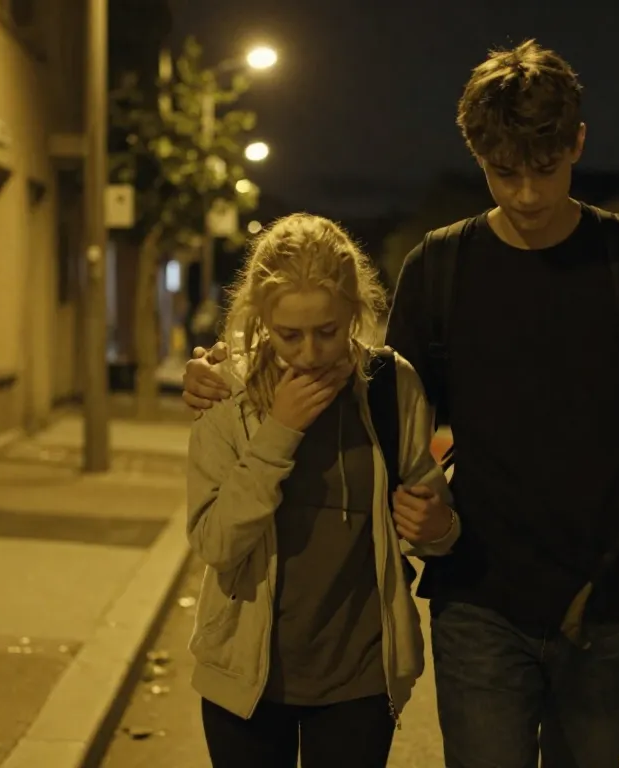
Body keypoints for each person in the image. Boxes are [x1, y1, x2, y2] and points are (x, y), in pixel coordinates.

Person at [184, 40, 619, 767]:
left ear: (578, 144)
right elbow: (386, 405)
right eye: (504, 172)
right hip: (479, 595)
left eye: (545, 169)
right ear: (477, 155)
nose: (526, 193)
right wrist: (226, 372)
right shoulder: (442, 267)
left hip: (602, 594)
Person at [186, 213, 460, 768]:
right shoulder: (225, 393)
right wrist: (280, 432)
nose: (309, 352)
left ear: (355, 313)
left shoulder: (391, 386)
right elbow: (215, 543)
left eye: (328, 331)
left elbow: (431, 518)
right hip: (245, 675)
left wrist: (441, 528)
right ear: (261, 318)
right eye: (290, 334)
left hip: (358, 680)